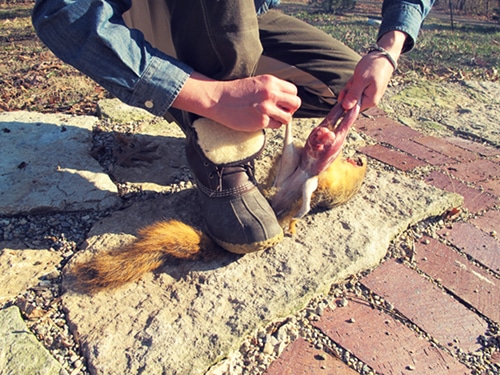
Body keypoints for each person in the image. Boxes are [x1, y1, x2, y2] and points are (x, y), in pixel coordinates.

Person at [32, 0, 434, 254]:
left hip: (245, 13)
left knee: (340, 83)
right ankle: (220, 146)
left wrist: (389, 47)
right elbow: (63, 12)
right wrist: (213, 98)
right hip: (145, 16)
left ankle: (207, 98)